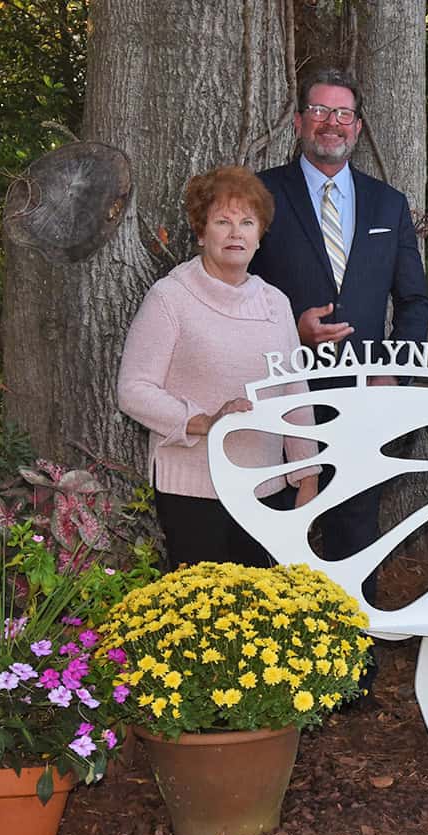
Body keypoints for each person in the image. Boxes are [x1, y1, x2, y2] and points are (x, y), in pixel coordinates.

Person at [248, 68, 428, 611]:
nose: (332, 124)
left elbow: (416, 302)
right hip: (284, 392)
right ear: (301, 120)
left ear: (357, 126)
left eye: (343, 114)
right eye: (321, 112)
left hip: (364, 398)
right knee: (281, 523)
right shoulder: (263, 194)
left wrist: (395, 371)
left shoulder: (387, 204)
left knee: (356, 527)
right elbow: (237, 287)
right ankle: (281, 664)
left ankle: (353, 662)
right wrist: (291, 330)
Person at [118, 165, 320, 570]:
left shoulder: (276, 304)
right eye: (222, 222)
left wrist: (308, 477)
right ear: (200, 231)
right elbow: (133, 390)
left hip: (264, 487)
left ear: (260, 236)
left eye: (247, 222)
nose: (235, 233)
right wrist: (205, 420)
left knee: (263, 615)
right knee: (205, 616)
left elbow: (296, 395)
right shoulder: (170, 298)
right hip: (192, 490)